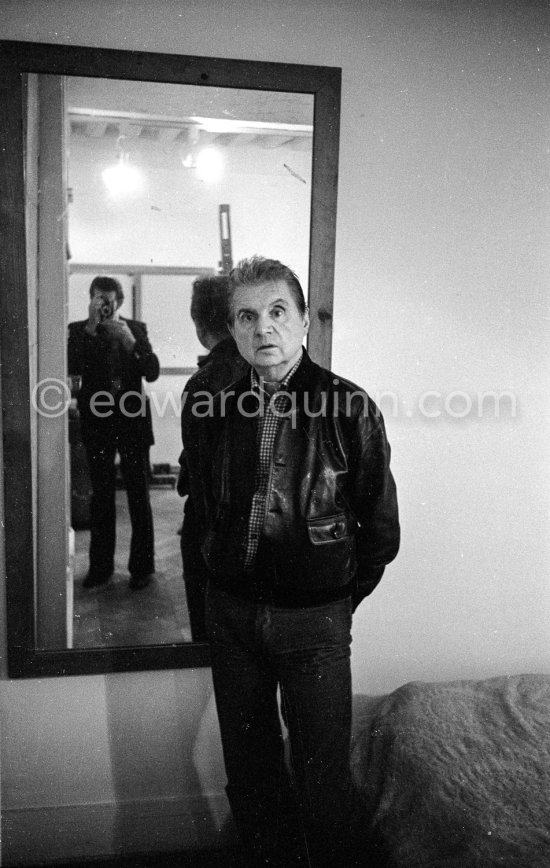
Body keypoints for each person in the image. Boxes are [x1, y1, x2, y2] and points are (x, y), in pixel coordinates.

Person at [181, 256, 400, 866]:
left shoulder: (349, 407)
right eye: (247, 317)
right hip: (232, 618)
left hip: (316, 625)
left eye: (278, 312)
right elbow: (202, 509)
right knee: (250, 775)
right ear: (232, 328)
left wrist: (333, 601)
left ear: (303, 320)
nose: (263, 330)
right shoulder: (210, 406)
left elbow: (380, 531)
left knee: (323, 779)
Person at [68, 275, 160, 590]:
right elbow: (71, 367)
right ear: (92, 300)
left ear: (119, 301)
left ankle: (142, 569)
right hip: (99, 426)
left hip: (133, 425)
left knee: (138, 496)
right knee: (102, 498)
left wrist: (131, 343)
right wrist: (92, 328)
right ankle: (100, 569)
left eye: (110, 300)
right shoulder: (79, 331)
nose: (105, 305)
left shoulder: (136, 329)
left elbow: (153, 371)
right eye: (99, 299)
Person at [178, 273, 248, 641]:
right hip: (260, 536)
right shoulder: (268, 370)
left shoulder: (204, 383)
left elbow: (205, 476)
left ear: (200, 325)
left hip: (212, 534)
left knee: (210, 644)